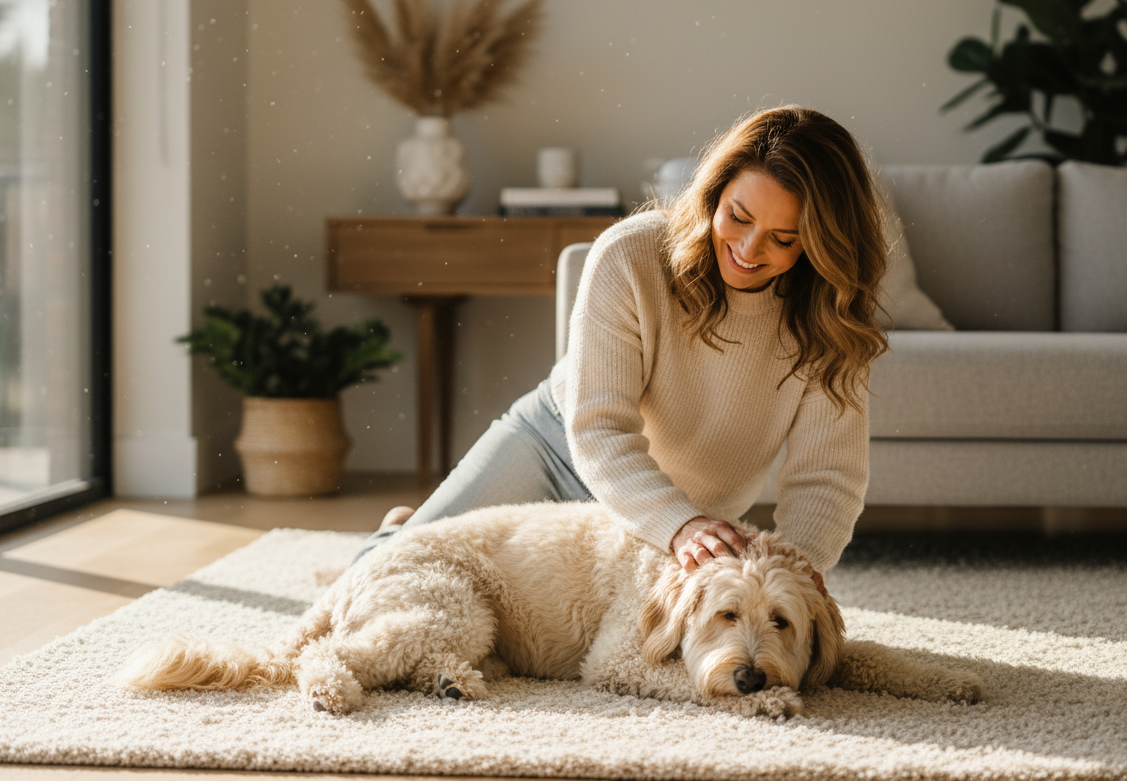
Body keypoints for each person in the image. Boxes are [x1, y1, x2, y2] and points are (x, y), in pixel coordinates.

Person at [356, 106, 890, 588]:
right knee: (396, 574)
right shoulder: (632, 255)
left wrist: (796, 569)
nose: (749, 250)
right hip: (557, 450)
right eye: (739, 218)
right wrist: (677, 526)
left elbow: (828, 476)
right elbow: (599, 427)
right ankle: (402, 530)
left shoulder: (831, 318)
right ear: (714, 194)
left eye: (784, 238)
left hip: (688, 510)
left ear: (821, 243)